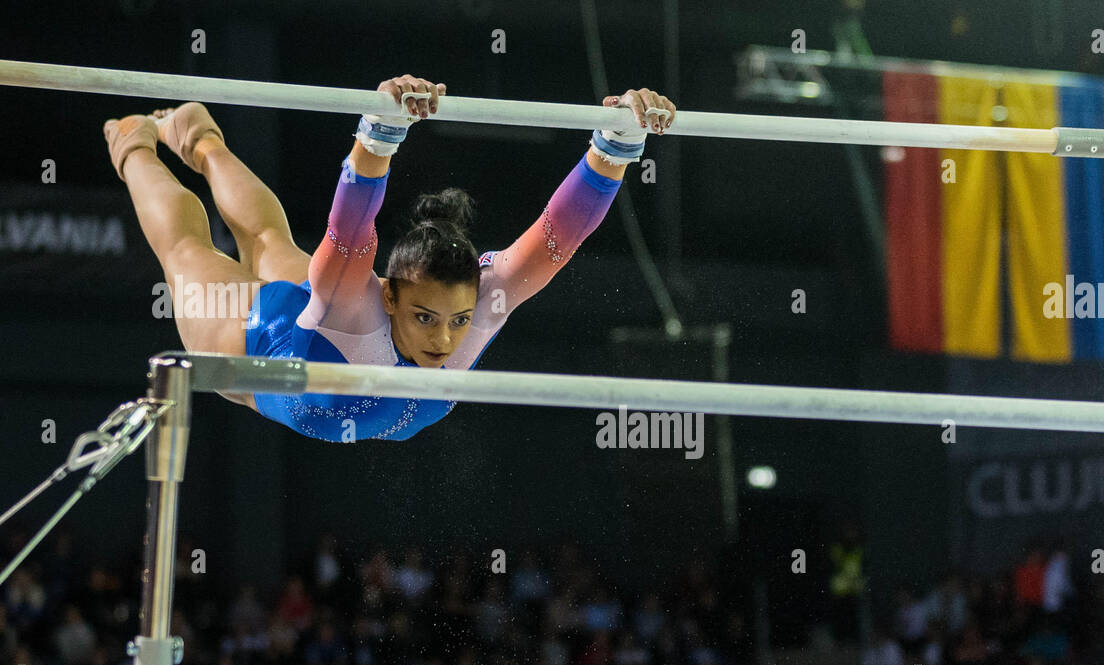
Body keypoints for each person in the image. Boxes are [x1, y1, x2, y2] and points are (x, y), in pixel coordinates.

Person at [103, 72, 676, 440]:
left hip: (310, 343)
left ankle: (201, 140)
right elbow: (349, 230)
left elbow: (557, 237)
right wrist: (377, 137)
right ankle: (132, 141)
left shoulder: (484, 302)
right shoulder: (356, 300)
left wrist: (617, 145)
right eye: (424, 317)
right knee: (186, 250)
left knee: (268, 242)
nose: (444, 340)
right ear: (388, 295)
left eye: (456, 319)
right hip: (256, 346)